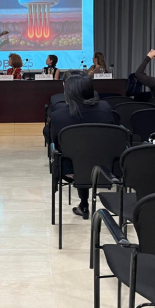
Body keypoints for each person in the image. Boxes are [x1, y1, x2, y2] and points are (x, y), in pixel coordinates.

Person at [50, 71, 113, 219]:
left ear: (66, 89)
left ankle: (84, 204)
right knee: (87, 154)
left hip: (71, 169)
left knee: (78, 155)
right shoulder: (105, 108)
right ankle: (83, 203)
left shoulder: (58, 116)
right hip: (104, 167)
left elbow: (55, 143)